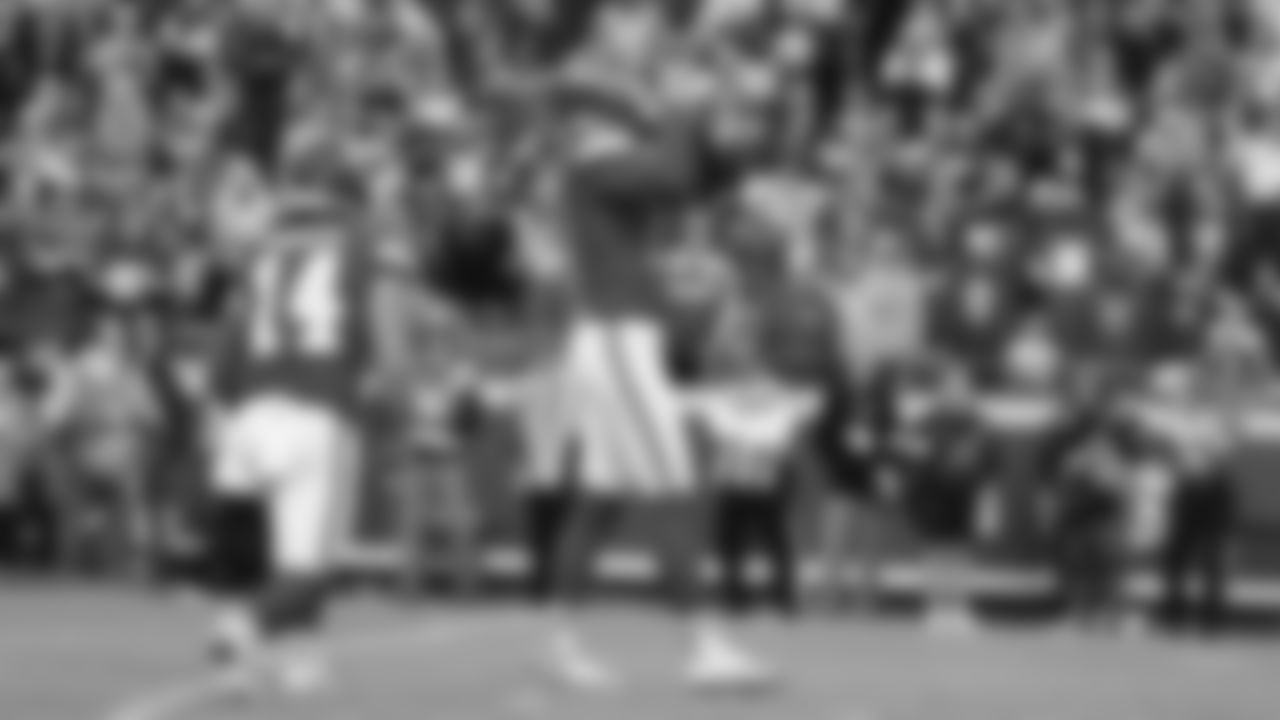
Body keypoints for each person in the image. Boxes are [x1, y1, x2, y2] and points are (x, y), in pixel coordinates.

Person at [204, 190, 374, 697]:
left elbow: (223, 369)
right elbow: (369, 341)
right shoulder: (357, 254)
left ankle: (299, 657)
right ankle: (240, 634)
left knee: (269, 553)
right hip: (316, 413)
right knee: (309, 565)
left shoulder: (258, 271)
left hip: (251, 417)